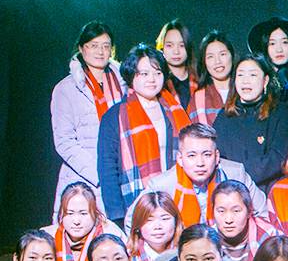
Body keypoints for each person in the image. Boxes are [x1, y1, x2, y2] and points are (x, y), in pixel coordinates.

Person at [96, 44, 192, 223]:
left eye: (157, 73)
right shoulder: (114, 116)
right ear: (131, 76)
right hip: (137, 203)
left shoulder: (175, 110)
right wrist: (117, 215)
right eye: (144, 74)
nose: (152, 79)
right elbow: (107, 170)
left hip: (175, 198)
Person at [52, 21, 125, 211]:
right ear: (81, 48)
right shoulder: (66, 88)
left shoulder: (124, 84)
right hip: (84, 179)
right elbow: (64, 142)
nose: (100, 51)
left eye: (106, 46)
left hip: (120, 174)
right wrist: (100, 173)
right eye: (94, 45)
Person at [144, 123, 266, 225]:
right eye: (192, 155)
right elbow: (137, 222)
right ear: (180, 159)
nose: (200, 163)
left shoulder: (235, 173)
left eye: (207, 155)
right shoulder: (161, 185)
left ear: (217, 157)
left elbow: (263, 213)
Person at [212, 54, 288, 188]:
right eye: (240, 75)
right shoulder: (224, 117)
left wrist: (244, 178)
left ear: (265, 80)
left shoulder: (280, 112)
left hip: (270, 190)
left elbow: (279, 157)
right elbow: (217, 158)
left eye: (253, 75)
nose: (246, 81)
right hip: (231, 190)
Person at [49, 183, 125, 261]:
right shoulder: (49, 238)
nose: (76, 221)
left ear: (94, 213)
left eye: (83, 213)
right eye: (70, 213)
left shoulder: (111, 235)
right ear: (61, 213)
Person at [211, 180, 282, 261]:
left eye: (236, 211)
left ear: (249, 211)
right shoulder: (206, 240)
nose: (228, 220)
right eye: (221, 211)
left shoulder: (269, 236)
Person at [126, 191, 183, 261]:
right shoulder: (127, 257)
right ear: (138, 224)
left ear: (176, 222)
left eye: (165, 219)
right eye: (149, 220)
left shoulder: (187, 251)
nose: (157, 226)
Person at [187, 31, 235, 126]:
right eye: (210, 57)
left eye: (222, 54)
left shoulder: (245, 91)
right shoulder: (198, 99)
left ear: (232, 56)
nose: (217, 61)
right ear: (204, 62)